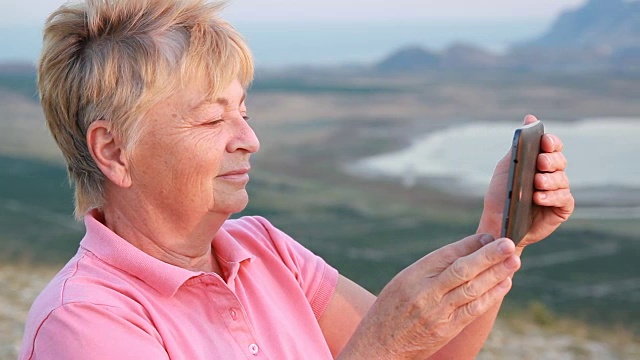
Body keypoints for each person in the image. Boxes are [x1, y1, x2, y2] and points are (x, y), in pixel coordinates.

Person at [20, 0, 574, 359]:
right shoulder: (84, 322)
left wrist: (501, 232)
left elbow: (429, 356)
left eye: (244, 111)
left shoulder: (263, 249)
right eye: (213, 118)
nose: (248, 139)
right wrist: (380, 345)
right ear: (113, 151)